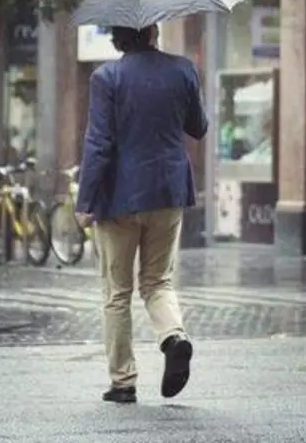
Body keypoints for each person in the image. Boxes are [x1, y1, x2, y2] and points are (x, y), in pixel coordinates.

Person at [76, 23, 209, 404]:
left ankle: (123, 382)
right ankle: (174, 338)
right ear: (152, 30)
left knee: (117, 292)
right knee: (157, 281)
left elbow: (99, 142)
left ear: (117, 38)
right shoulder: (183, 69)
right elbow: (198, 128)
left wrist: (85, 201)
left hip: (119, 198)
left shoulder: (107, 77)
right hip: (168, 191)